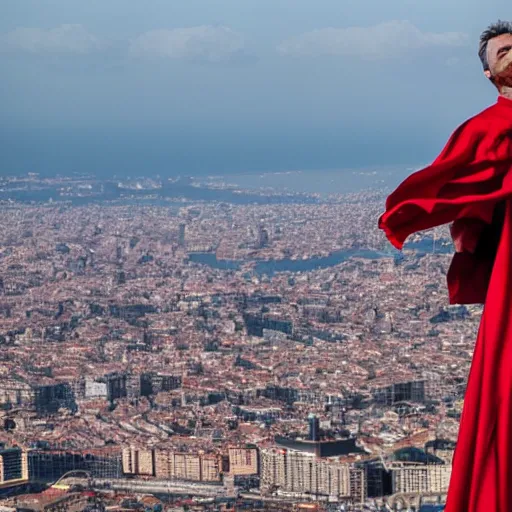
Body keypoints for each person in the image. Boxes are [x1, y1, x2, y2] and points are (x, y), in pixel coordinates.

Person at [379, 20, 512, 512]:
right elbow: (449, 182)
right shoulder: (485, 127)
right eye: (503, 51)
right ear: (488, 73)